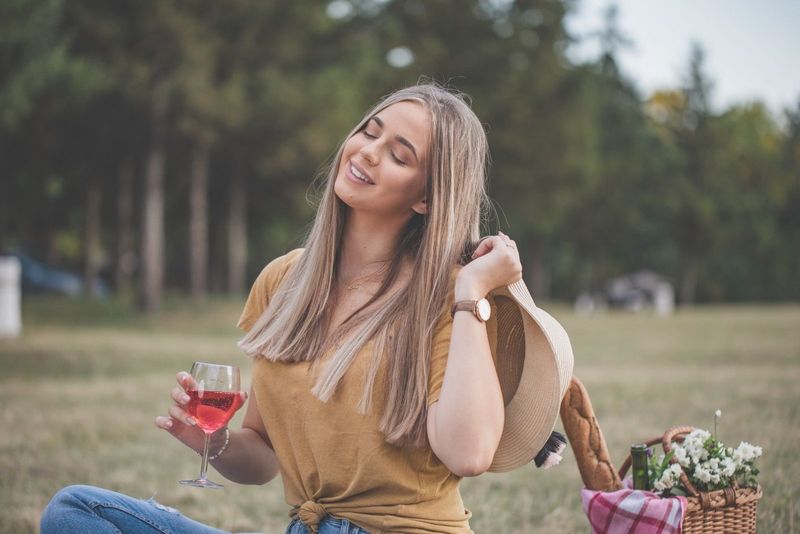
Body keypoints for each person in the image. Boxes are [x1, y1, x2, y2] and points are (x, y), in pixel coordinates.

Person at [41, 83, 573, 534]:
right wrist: (215, 441)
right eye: (370, 131)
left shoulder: (449, 296)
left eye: (399, 154)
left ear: (427, 198)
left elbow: (470, 454)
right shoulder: (285, 280)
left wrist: (471, 293)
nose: (367, 151)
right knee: (77, 512)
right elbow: (262, 456)